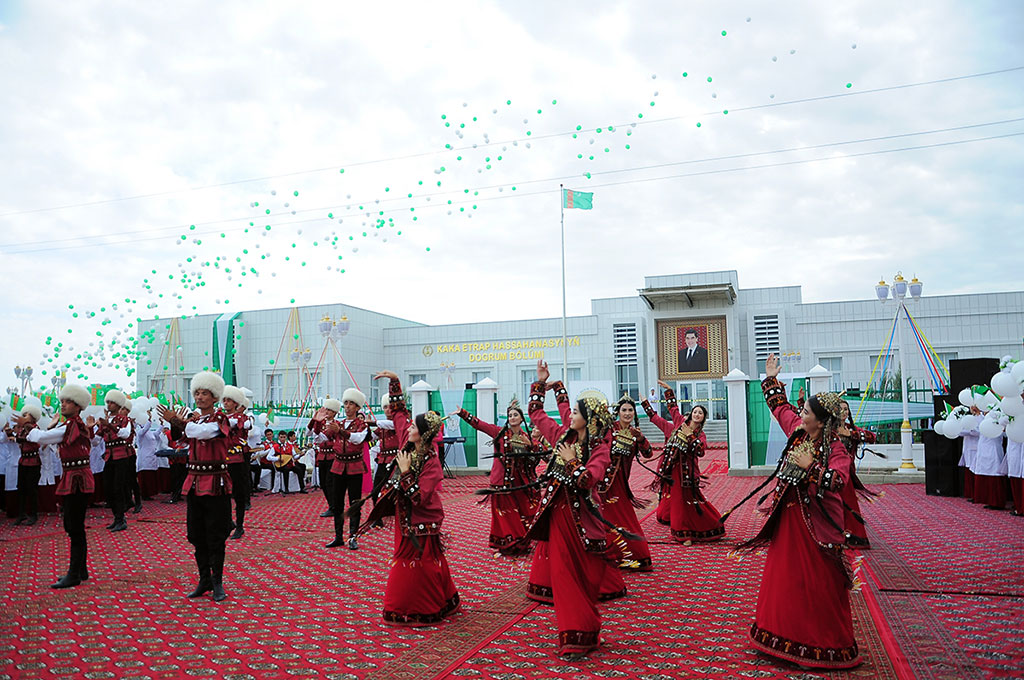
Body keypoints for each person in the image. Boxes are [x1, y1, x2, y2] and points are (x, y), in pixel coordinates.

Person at [743, 354, 860, 669]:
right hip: (790, 520)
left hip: (818, 526)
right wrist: (769, 378)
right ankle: (779, 635)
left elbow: (838, 481)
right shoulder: (797, 432)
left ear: (820, 421)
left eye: (806, 411)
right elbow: (779, 407)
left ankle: (820, 645)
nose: (800, 413)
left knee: (817, 584)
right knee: (786, 578)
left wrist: (813, 468)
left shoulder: (836, 448)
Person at [521, 360, 616, 659]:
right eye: (571, 410)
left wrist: (574, 462)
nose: (569, 415)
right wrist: (541, 383)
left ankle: (587, 627)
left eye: (575, 412)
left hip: (584, 522)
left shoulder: (599, 448)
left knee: (585, 578)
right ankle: (572, 636)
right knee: (562, 576)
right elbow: (536, 414)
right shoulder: (562, 436)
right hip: (559, 519)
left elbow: (591, 480)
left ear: (588, 419)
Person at [358, 370, 459, 626]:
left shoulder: (432, 462)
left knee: (420, 563)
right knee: (424, 561)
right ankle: (445, 598)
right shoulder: (407, 441)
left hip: (422, 520)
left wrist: (404, 473)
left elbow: (420, 498)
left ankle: (416, 607)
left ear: (423, 434)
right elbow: (400, 413)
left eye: (414, 426)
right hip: (405, 519)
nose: (408, 427)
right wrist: (394, 381)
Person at [158, 372, 233, 602]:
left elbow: (202, 433)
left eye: (204, 393)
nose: (199, 397)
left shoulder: (220, 419)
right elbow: (180, 440)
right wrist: (178, 424)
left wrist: (179, 422)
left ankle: (218, 581)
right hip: (194, 481)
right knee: (195, 534)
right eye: (197, 393)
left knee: (215, 533)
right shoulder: (193, 420)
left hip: (216, 482)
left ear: (214, 397)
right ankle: (204, 580)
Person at [27, 384, 95, 588]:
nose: (63, 404)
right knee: (75, 525)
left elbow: (39, 438)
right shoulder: (72, 426)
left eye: (67, 401)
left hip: (76, 479)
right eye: (62, 401)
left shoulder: (70, 426)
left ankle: (74, 573)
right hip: (75, 477)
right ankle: (80, 570)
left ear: (78, 405)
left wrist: (29, 425)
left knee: (74, 526)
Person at [456, 397, 541, 556]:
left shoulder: (527, 437)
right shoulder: (500, 433)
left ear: (522, 419)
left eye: (515, 415)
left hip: (521, 483)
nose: (512, 418)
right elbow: (480, 425)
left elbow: (538, 455)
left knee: (524, 511)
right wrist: (462, 413)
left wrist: (530, 445)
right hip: (501, 482)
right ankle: (510, 544)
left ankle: (521, 541)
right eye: (510, 415)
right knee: (505, 514)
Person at [599, 395, 654, 569]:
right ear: (618, 412)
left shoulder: (634, 433)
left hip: (621, 486)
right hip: (602, 484)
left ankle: (632, 555)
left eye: (630, 410)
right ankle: (604, 555)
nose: (628, 413)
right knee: (602, 520)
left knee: (625, 520)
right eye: (624, 410)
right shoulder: (609, 430)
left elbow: (649, 454)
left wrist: (640, 439)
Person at [324, 389, 369, 549]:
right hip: (338, 465)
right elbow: (321, 437)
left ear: (357, 408)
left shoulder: (361, 424)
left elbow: (358, 439)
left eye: (351, 404)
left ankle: (353, 537)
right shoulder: (339, 423)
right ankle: (338, 536)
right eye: (346, 403)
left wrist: (340, 431)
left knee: (354, 502)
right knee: (337, 502)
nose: (347, 406)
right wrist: (315, 422)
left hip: (354, 466)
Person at [89, 389, 134, 532]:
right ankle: (117, 518)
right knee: (108, 488)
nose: (109, 404)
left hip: (121, 456)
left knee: (118, 488)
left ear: (118, 404)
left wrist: (108, 425)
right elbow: (95, 441)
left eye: (111, 402)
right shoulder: (105, 421)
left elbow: (125, 434)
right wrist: (90, 429)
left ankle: (121, 519)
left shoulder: (124, 419)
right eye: (107, 402)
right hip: (109, 456)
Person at [836, 400, 877, 548]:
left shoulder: (850, 428)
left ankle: (852, 537)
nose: (844, 412)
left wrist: (851, 434)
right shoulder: (829, 430)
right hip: (832, 474)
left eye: (846, 409)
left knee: (849, 506)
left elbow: (872, 437)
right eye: (841, 409)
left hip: (847, 474)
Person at [3, 403, 44, 525]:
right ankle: (22, 514)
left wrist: (17, 439)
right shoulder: (22, 429)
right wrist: (10, 433)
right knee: (21, 488)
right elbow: (19, 441)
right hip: (23, 461)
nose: (24, 417)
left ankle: (33, 514)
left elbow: (34, 441)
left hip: (33, 462)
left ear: (33, 417)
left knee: (32, 489)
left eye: (26, 415)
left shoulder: (35, 429)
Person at [221, 385, 251, 539]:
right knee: (223, 493)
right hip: (222, 460)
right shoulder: (221, 416)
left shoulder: (240, 418)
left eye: (229, 400)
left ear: (235, 403)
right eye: (224, 400)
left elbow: (238, 425)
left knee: (238, 493)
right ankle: (228, 521)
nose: (225, 403)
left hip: (237, 459)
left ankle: (239, 525)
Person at [308, 398, 342, 516]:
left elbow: (323, 437)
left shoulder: (336, 425)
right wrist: (315, 420)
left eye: (329, 410)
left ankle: (334, 507)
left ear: (334, 412)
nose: (326, 412)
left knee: (330, 482)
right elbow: (308, 433)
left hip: (333, 456)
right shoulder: (320, 423)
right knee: (323, 483)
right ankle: (331, 505)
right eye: (326, 409)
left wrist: (318, 424)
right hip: (322, 455)